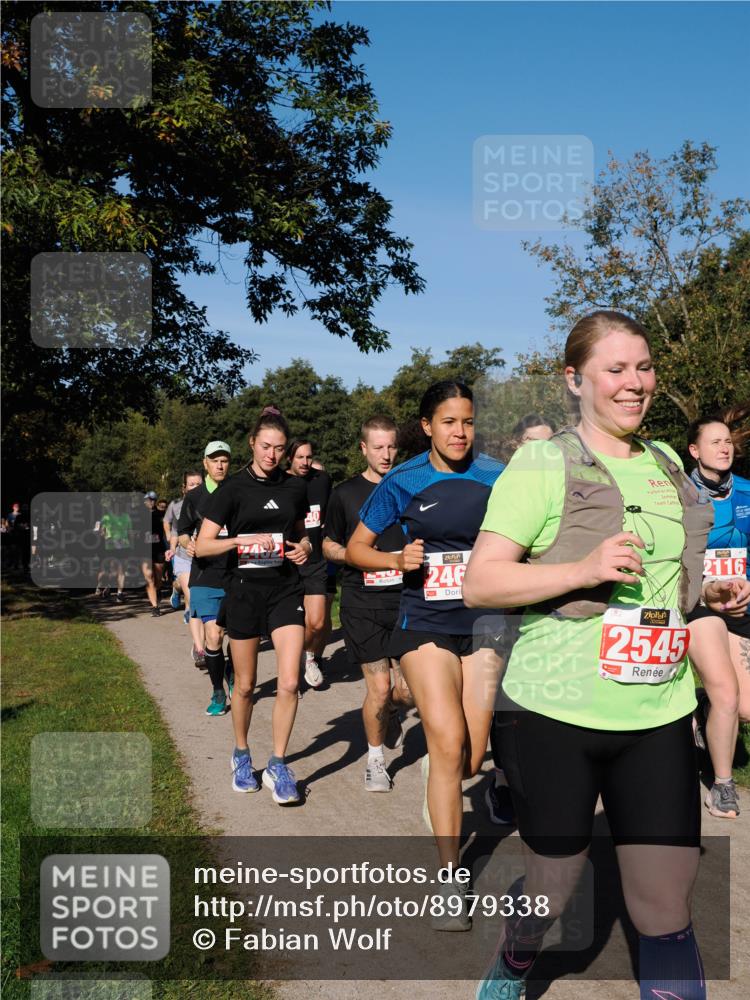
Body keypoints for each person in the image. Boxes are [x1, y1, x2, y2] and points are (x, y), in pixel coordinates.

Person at [463, 310, 737, 1000]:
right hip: (554, 712)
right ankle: (517, 954)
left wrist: (710, 592)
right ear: (575, 379)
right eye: (615, 369)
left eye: (643, 367)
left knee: (665, 907)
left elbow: (669, 577)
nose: (634, 382)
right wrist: (581, 570)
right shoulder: (543, 462)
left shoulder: (667, 461)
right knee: (553, 891)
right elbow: (481, 583)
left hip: (658, 711)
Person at [346, 381, 505, 927]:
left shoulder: (497, 475)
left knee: (471, 758)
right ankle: (449, 878)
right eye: (448, 422)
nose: (460, 432)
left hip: (483, 623)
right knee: (447, 740)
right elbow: (357, 548)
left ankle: (440, 778)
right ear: (427, 426)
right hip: (424, 623)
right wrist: (397, 560)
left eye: (468, 421)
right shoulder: (404, 479)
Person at [196, 409, 311, 804]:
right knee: (245, 685)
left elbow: (303, 534)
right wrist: (239, 542)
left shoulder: (295, 487)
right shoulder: (232, 489)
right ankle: (242, 755)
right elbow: (203, 545)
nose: (271, 455)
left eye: (279, 448)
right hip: (244, 590)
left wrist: (304, 547)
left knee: (290, 681)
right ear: (252, 444)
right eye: (265, 446)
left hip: (285, 589)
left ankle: (278, 764)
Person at [323, 415, 412, 792]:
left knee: (406, 692)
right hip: (363, 604)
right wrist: (357, 555)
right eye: (378, 447)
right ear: (364, 448)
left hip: (407, 601)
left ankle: (391, 710)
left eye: (391, 446)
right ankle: (375, 761)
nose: (386, 454)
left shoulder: (411, 490)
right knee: (378, 687)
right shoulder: (344, 494)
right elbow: (328, 544)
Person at [685, 414, 750, 818]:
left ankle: (702, 706)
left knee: (745, 708)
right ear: (694, 450)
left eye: (728, 441)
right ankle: (722, 785)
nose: (725, 448)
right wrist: (705, 588)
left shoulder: (747, 491)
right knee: (728, 692)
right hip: (699, 604)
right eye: (714, 442)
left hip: (739, 602)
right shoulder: (679, 495)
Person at [176, 443, 232, 702]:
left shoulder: (238, 490)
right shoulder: (195, 496)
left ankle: (230, 670)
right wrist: (188, 544)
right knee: (214, 635)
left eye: (224, 460)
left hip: (235, 572)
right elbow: (183, 531)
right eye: (214, 460)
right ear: (205, 463)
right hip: (205, 573)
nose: (220, 465)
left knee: (238, 637)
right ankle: (218, 691)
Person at [286, 438, 333, 688]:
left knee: (317, 622)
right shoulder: (280, 483)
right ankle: (291, 669)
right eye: (300, 457)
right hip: (287, 563)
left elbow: (331, 512)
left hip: (315, 560)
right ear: (289, 458)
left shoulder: (322, 480)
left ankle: (309, 656)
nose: (305, 462)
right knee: (292, 624)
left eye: (309, 457)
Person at [165, 471, 203, 616]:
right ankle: (189, 609)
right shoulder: (176, 506)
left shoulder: (213, 503)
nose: (196, 487)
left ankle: (188, 608)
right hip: (184, 556)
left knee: (195, 591)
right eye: (191, 484)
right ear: (184, 488)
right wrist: (172, 548)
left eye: (199, 484)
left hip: (204, 557)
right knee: (191, 592)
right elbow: (175, 530)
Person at [141, 491, 167, 617]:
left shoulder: (161, 514)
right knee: (149, 577)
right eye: (148, 500)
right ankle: (155, 606)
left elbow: (168, 529)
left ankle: (159, 588)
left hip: (159, 549)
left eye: (153, 500)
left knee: (158, 578)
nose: (151, 502)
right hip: (144, 550)